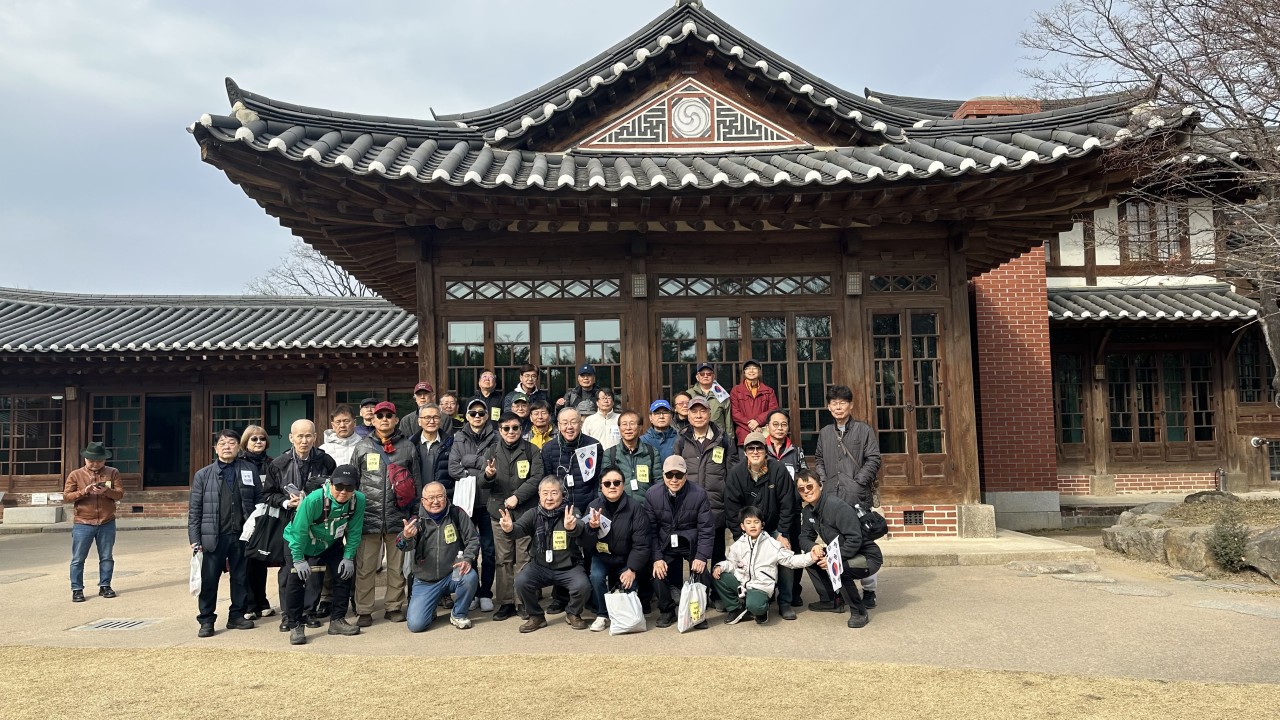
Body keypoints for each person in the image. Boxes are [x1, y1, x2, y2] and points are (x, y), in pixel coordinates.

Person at [349, 401, 421, 627]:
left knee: (396, 567)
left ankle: (393, 606)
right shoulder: (362, 446)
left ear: (396, 419)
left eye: (389, 415)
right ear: (372, 419)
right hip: (367, 515)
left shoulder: (408, 447)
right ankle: (364, 609)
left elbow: (416, 482)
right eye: (379, 416)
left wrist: (415, 513)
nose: (384, 419)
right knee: (365, 567)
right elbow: (353, 482)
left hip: (398, 515)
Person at [189, 429, 262, 637]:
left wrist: (256, 527)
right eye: (222, 443)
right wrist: (195, 538)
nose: (227, 447)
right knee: (209, 580)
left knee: (240, 578)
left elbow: (259, 499)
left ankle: (236, 616)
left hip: (241, 535)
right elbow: (195, 509)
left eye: (231, 443)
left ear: (239, 446)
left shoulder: (249, 469)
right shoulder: (203, 475)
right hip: (213, 536)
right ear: (215, 448)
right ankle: (206, 620)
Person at [263, 419, 336, 627]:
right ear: (291, 438)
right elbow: (267, 494)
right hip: (290, 522)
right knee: (289, 569)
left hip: (317, 523)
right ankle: (289, 614)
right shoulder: (278, 464)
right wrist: (286, 502)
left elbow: (335, 490)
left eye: (308, 436)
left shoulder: (326, 461)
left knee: (315, 568)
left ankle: (309, 611)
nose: (304, 441)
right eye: (300, 436)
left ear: (315, 437)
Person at [813, 384, 882, 605]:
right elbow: (819, 459)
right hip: (832, 497)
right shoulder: (825, 433)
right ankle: (841, 591)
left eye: (842, 403)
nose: (838, 407)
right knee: (836, 544)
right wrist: (824, 480)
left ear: (850, 405)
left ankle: (869, 591)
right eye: (834, 403)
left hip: (857, 497)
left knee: (863, 543)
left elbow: (874, 459)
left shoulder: (863, 430)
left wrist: (858, 482)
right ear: (828, 407)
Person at [281, 465, 365, 645]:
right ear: (331, 483)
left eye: (349, 487)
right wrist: (298, 558)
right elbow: (299, 530)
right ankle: (295, 624)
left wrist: (348, 556)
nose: (343, 492)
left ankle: (337, 620)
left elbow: (355, 531)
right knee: (296, 579)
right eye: (339, 486)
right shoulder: (314, 500)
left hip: (330, 542)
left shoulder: (358, 500)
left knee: (344, 574)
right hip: (299, 542)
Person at [499, 477, 591, 632]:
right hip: (540, 566)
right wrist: (509, 529)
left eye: (554, 493)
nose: (549, 498)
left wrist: (572, 527)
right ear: (539, 494)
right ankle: (536, 616)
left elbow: (580, 527)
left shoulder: (571, 511)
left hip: (569, 567)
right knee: (521, 582)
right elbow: (519, 529)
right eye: (545, 493)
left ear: (562, 494)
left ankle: (573, 613)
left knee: (583, 586)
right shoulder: (533, 513)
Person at [723, 431, 798, 619]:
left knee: (785, 553)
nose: (755, 452)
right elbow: (732, 509)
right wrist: (740, 537)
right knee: (744, 561)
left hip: (774, 527)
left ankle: (785, 601)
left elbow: (788, 503)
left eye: (759, 448)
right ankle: (754, 596)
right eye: (751, 448)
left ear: (766, 451)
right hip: (748, 530)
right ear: (745, 452)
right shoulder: (736, 474)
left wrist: (783, 532)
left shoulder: (778, 470)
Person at [796, 469, 882, 628]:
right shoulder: (808, 511)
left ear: (820, 485)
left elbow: (855, 539)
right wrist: (813, 546)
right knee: (811, 558)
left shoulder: (837, 507)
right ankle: (832, 600)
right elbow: (804, 537)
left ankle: (859, 612)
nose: (806, 491)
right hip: (841, 552)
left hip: (867, 557)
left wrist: (832, 559)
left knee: (838, 568)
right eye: (801, 489)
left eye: (810, 486)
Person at [479, 412, 541, 621]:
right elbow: (482, 482)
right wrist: (488, 475)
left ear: (521, 429)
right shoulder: (491, 451)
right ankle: (505, 602)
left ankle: (523, 601)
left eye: (515, 427)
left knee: (524, 557)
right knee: (503, 558)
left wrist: (518, 497)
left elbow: (537, 478)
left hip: (524, 512)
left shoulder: (532, 450)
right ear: (500, 430)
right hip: (499, 511)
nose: (511, 432)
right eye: (506, 428)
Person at [396, 481, 480, 633]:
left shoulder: (457, 513)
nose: (435, 501)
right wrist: (406, 537)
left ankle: (458, 614)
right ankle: (430, 606)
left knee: (470, 576)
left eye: (440, 496)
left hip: (452, 574)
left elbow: (473, 539)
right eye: (431, 498)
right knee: (416, 625)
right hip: (426, 580)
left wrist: (467, 559)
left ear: (446, 498)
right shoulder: (417, 520)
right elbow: (403, 545)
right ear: (423, 501)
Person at [714, 505, 818, 625]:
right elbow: (732, 564)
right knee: (719, 575)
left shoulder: (772, 544)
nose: (752, 526)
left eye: (756, 522)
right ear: (742, 526)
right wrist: (720, 567)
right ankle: (736, 609)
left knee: (755, 606)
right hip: (743, 584)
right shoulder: (738, 545)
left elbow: (791, 560)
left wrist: (811, 557)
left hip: (760, 586)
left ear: (762, 525)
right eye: (748, 522)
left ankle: (761, 609)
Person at [645, 455, 714, 630]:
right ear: (663, 475)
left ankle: (697, 612)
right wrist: (657, 558)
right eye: (669, 475)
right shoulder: (652, 494)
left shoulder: (699, 494)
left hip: (690, 542)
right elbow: (650, 531)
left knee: (702, 572)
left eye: (679, 475)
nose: (674, 479)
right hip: (665, 542)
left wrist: (701, 556)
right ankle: (667, 610)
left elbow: (706, 528)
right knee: (656, 572)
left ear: (686, 475)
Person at [448, 397, 499, 613]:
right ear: (467, 416)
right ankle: (473, 591)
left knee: (488, 549)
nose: (477, 416)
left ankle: (485, 592)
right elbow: (453, 468)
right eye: (473, 413)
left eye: (481, 413)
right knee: (468, 549)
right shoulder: (459, 437)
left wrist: (468, 462)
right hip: (465, 502)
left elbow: (495, 465)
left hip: (488, 501)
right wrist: (481, 470)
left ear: (487, 415)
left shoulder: (496, 437)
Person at [583, 466, 650, 632]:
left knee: (629, 584)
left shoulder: (635, 507)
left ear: (623, 484)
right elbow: (583, 542)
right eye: (607, 483)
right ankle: (602, 614)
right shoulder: (593, 507)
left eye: (616, 482)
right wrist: (591, 528)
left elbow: (641, 544)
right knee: (596, 577)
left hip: (626, 558)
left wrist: (632, 569)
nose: (612, 486)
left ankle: (623, 615)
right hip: (602, 556)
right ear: (601, 486)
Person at [674, 395, 737, 569]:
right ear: (688, 416)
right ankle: (698, 584)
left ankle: (717, 585)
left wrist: (727, 499)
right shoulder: (681, 440)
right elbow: (675, 473)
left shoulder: (724, 439)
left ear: (709, 414)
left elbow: (731, 474)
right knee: (694, 555)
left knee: (718, 553)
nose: (698, 415)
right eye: (694, 412)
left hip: (716, 505)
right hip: (689, 505)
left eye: (703, 411)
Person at [64, 442, 124, 603]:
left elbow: (119, 494)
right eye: (91, 460)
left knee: (106, 557)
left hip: (106, 521)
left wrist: (107, 491)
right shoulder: (76, 474)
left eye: (99, 461)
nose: (95, 464)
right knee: (78, 558)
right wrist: (84, 491)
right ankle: (77, 589)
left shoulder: (113, 472)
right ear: (85, 459)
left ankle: (105, 585)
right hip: (83, 522)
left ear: (104, 460)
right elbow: (67, 496)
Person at [763, 409, 806, 608]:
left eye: (783, 424)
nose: (779, 428)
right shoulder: (760, 450)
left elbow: (803, 477)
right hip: (768, 510)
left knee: (793, 550)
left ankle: (794, 590)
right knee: (767, 552)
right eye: (775, 424)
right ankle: (769, 589)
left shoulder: (796, 451)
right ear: (767, 427)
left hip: (792, 510)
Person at [237, 425, 274, 618]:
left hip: (266, 518)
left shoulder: (273, 463)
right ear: (245, 442)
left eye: (262, 438)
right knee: (247, 562)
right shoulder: (239, 464)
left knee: (261, 560)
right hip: (245, 519)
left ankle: (262, 601)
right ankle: (249, 604)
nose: (259, 442)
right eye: (254, 439)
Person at [607, 410, 660, 503]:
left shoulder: (652, 452)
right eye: (624, 424)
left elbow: (658, 483)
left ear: (640, 427)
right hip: (618, 506)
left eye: (632, 424)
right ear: (619, 428)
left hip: (646, 506)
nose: (628, 428)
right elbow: (604, 484)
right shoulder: (610, 453)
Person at [729, 359, 779, 448]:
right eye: (748, 368)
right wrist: (752, 426)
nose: (751, 371)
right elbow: (735, 413)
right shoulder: (736, 390)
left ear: (759, 371)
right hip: (744, 435)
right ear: (744, 372)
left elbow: (773, 410)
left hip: (764, 433)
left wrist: (758, 421)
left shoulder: (768, 391)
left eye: (754, 368)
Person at [414, 403, 452, 493]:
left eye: (436, 417)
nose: (431, 421)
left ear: (441, 421)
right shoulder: (411, 445)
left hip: (443, 497)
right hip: (417, 497)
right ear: (419, 421)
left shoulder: (451, 444)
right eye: (427, 417)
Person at [686, 362, 731, 432]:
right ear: (697, 377)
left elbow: (728, 421)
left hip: (718, 436)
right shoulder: (689, 394)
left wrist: (729, 437)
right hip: (695, 434)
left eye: (709, 374)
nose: (705, 376)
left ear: (713, 376)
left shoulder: (722, 395)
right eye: (702, 374)